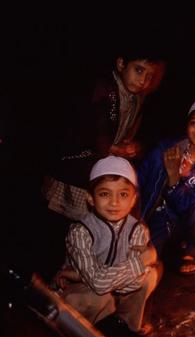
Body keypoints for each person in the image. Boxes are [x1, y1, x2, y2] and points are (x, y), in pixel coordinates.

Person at [43, 40, 167, 221]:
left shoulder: (137, 97)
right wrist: (113, 149)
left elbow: (132, 128)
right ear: (121, 64)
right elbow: (92, 129)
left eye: (150, 76)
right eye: (139, 70)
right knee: (78, 215)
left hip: (107, 159)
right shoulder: (103, 90)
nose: (143, 81)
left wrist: (132, 146)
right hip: (83, 160)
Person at [53, 156, 161, 337]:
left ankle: (125, 326)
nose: (114, 202)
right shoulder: (81, 232)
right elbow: (98, 284)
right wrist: (143, 260)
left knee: (149, 276)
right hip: (81, 294)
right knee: (97, 297)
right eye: (104, 194)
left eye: (123, 194)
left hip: (106, 287)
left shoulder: (137, 230)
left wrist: (90, 276)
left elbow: (133, 283)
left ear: (133, 199)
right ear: (91, 198)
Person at [138, 99, 195, 274]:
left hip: (183, 220)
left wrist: (174, 178)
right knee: (143, 264)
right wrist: (136, 220)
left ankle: (191, 251)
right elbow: (139, 181)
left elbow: (185, 206)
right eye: (194, 122)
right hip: (154, 215)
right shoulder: (166, 149)